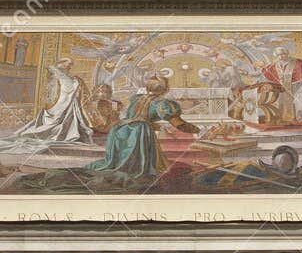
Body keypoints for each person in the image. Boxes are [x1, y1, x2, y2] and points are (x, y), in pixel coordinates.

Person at [19, 75, 198, 189]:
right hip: (137, 133)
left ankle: (122, 166)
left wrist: (151, 123)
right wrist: (195, 129)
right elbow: (178, 124)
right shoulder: (163, 103)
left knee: (115, 163)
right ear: (165, 89)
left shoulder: (136, 97)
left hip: (120, 130)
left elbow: (137, 115)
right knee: (136, 169)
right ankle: (135, 169)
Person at [0, 58, 94, 155]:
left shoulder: (67, 76)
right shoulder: (55, 72)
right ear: (62, 63)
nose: (70, 66)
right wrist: (74, 83)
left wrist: (76, 83)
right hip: (60, 103)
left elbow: (68, 86)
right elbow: (61, 86)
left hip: (66, 102)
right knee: (56, 117)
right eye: (69, 64)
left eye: (71, 64)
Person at [194, 145, 302, 191]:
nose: (283, 162)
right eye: (283, 161)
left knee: (245, 170)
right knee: (245, 167)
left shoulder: (267, 174)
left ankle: (211, 180)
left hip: (254, 171)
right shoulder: (261, 169)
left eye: (286, 162)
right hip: (251, 168)